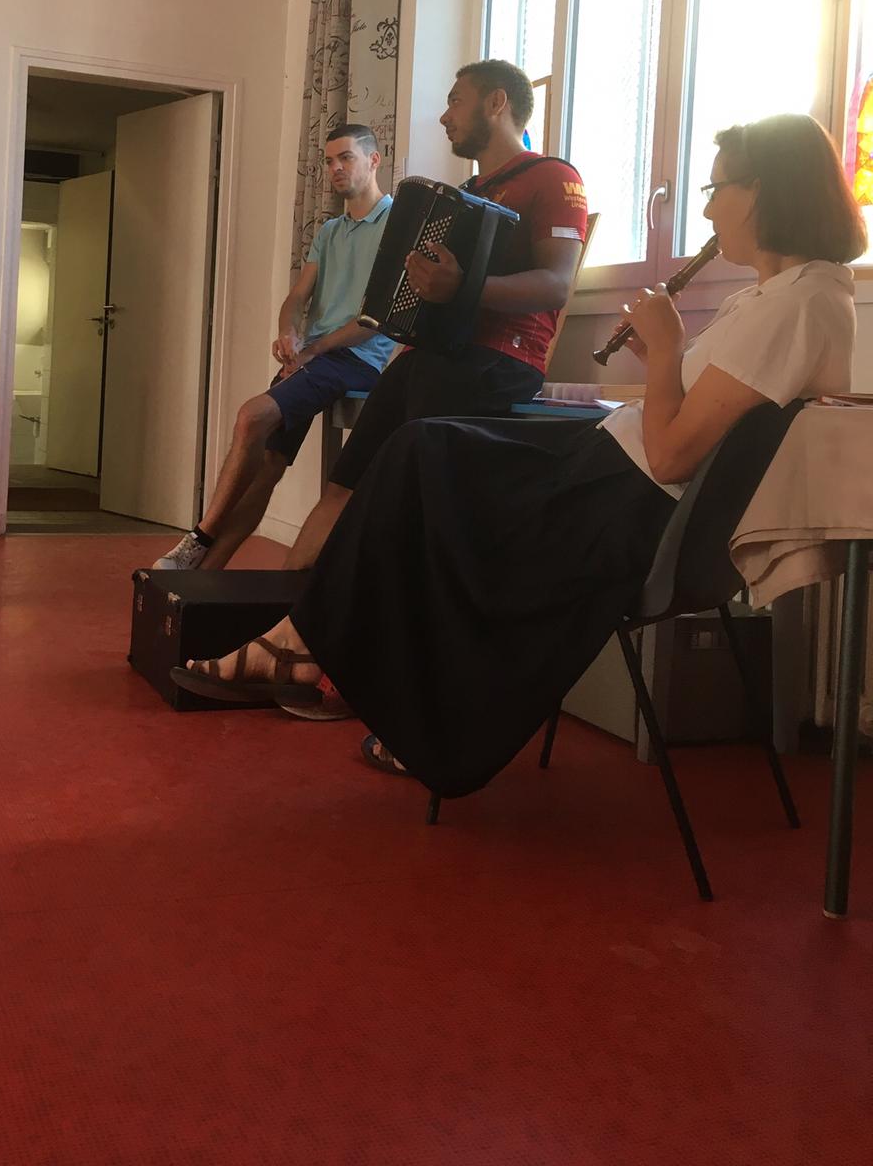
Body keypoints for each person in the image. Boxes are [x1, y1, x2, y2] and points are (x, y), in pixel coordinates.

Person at [171, 113, 865, 797]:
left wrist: (666, 351)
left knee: (423, 466)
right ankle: (311, 649)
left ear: (764, 189)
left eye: (716, 189)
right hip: (606, 475)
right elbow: (686, 420)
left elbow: (672, 456)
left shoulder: (798, 306)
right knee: (423, 449)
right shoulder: (777, 298)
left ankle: (328, 662)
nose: (707, 209)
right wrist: (661, 355)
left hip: (617, 507)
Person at [281, 60, 589, 575]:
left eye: (455, 101)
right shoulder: (467, 194)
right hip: (431, 355)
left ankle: (360, 610)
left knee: (400, 493)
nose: (445, 117)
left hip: (496, 361)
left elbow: (557, 285)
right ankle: (284, 608)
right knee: (345, 481)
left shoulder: (555, 177)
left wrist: (463, 288)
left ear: (496, 102)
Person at [153, 124, 396, 570]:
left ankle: (199, 538)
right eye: (329, 161)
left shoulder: (396, 225)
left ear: (374, 160)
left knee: (251, 416)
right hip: (316, 356)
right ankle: (205, 573)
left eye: (346, 157)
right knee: (267, 464)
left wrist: (313, 351)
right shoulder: (330, 231)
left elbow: (375, 319)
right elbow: (297, 297)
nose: (335, 168)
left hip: (355, 358)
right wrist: (289, 333)